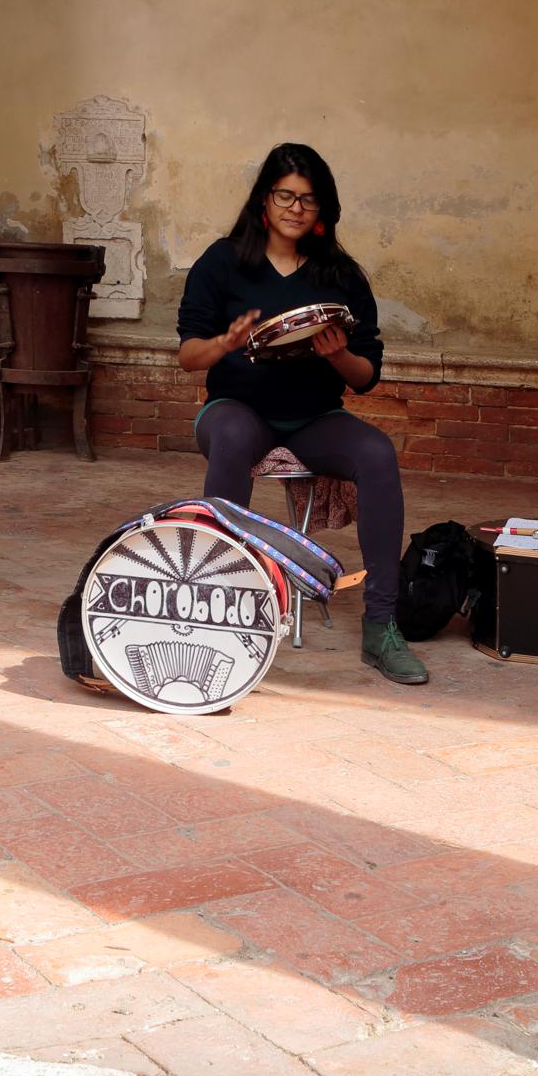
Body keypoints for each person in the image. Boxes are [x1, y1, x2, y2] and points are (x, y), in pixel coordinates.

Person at [175, 143, 428, 686]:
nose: (295, 208)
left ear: (323, 210)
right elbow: (187, 356)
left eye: (308, 200)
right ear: (264, 200)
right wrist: (225, 341)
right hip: (234, 410)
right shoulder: (224, 261)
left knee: (377, 453)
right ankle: (215, 607)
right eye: (285, 195)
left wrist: (337, 354)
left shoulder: (340, 276)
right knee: (235, 434)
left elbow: (366, 376)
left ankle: (382, 625)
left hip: (313, 416)